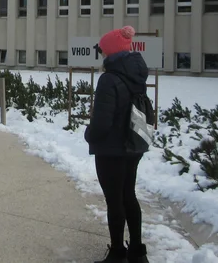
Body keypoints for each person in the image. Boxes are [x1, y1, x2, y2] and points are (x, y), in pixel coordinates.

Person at [84, 25, 149, 263]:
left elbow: (102, 123)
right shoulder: (137, 75)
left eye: (103, 51)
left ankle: (118, 253)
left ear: (110, 52)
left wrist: (89, 135)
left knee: (115, 201)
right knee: (129, 195)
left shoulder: (108, 79)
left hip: (111, 150)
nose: (101, 55)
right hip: (133, 145)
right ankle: (137, 253)